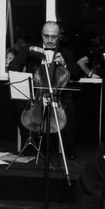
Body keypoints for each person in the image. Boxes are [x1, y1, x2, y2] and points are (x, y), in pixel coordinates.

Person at [24, 21, 81, 159]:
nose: (49, 40)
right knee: (20, 105)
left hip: (58, 96)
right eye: (46, 36)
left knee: (71, 107)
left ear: (59, 37)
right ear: (41, 34)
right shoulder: (32, 50)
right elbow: (15, 63)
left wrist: (64, 64)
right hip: (37, 95)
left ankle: (69, 151)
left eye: (54, 37)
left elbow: (77, 75)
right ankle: (31, 148)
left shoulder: (66, 52)